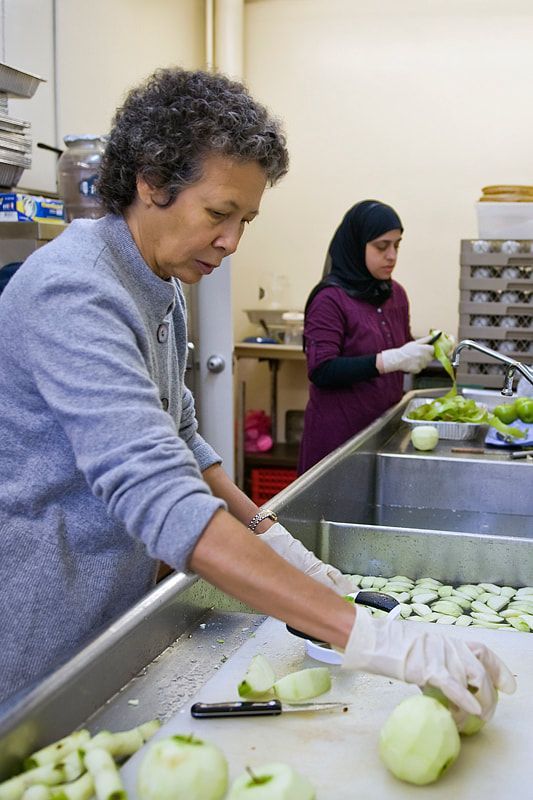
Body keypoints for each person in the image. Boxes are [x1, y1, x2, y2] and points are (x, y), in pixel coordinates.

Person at [0, 69, 514, 724]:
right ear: (151, 182)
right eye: (219, 214)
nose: (232, 241)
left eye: (245, 220)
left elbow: (183, 440)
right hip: (40, 632)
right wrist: (373, 638)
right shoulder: (75, 291)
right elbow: (161, 496)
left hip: (106, 619)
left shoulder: (159, 282)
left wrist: (277, 543)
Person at [298, 200, 436, 473]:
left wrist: (424, 349)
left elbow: (397, 346)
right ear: (356, 245)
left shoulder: (395, 294)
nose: (392, 256)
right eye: (382, 246)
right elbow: (321, 369)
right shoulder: (329, 299)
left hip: (381, 431)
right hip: (337, 439)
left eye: (397, 245)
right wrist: (388, 361)